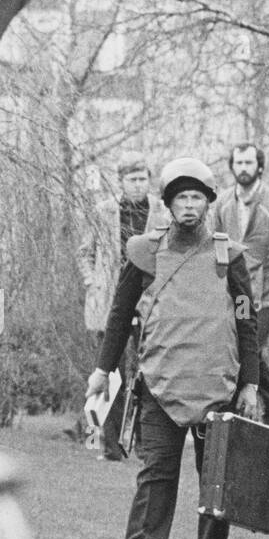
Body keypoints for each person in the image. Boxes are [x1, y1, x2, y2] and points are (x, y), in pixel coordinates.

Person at [85, 156, 259, 539]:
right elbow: (120, 314)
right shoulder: (145, 253)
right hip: (160, 384)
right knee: (156, 471)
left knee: (215, 479)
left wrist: (251, 383)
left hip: (216, 384)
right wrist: (102, 371)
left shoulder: (228, 255)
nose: (188, 206)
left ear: (208, 203)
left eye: (196, 197)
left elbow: (246, 321)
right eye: (180, 197)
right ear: (167, 203)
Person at [78, 155, 168, 459]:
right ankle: (107, 444)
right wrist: (93, 282)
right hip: (110, 303)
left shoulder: (162, 211)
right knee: (108, 374)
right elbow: (84, 253)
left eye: (143, 178)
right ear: (121, 181)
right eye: (132, 179)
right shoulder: (103, 211)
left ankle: (146, 444)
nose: (138, 184)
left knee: (147, 374)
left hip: (148, 303)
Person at [210, 142, 269, 426]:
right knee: (244, 344)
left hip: (268, 295)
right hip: (238, 295)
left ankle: (250, 410)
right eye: (239, 163)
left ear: (259, 166)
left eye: (249, 163)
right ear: (232, 167)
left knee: (246, 344)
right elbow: (216, 247)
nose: (244, 168)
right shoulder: (223, 203)